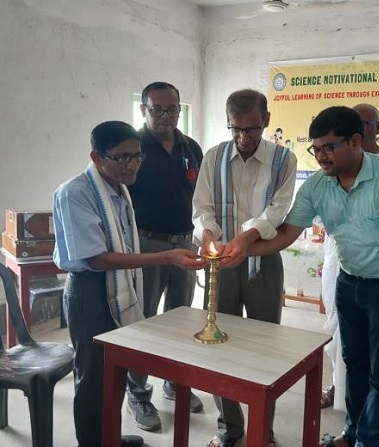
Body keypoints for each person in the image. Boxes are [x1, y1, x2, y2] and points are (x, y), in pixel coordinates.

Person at [223, 106, 379, 447]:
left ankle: (368, 442)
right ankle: (352, 433)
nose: (321, 157)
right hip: (349, 284)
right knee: (351, 364)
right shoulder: (318, 186)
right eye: (316, 149)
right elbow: (285, 233)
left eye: (328, 147)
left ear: (356, 141)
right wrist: (242, 250)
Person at [53, 121, 207, 447]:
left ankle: (108, 435)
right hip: (90, 292)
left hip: (117, 286)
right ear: (96, 157)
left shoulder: (118, 189)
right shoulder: (76, 193)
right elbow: (97, 259)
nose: (133, 165)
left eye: (137, 156)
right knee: (93, 377)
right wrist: (165, 258)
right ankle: (93, 442)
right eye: (122, 158)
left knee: (115, 371)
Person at [192, 89, 298, 447]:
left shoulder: (284, 160)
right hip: (221, 260)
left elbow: (277, 211)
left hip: (263, 261)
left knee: (263, 347)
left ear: (266, 120)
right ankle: (229, 426)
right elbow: (201, 207)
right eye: (235, 129)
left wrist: (247, 239)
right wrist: (207, 231)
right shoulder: (214, 157)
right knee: (219, 341)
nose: (243, 138)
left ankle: (262, 429)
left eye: (251, 129)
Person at [318, 103, 379, 410]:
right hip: (342, 261)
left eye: (367, 123)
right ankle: (341, 388)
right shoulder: (332, 169)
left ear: (376, 129)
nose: (361, 127)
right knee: (340, 331)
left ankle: (376, 406)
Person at [128, 81, 204, 412]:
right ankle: (138, 393)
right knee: (144, 320)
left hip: (184, 243)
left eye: (172, 109)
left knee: (181, 317)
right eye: (157, 109)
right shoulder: (134, 148)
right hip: (147, 245)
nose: (166, 116)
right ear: (144, 109)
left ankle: (175, 383)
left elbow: (199, 196)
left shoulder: (191, 148)